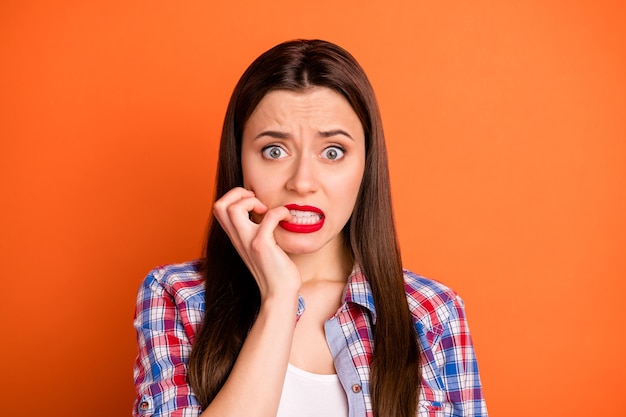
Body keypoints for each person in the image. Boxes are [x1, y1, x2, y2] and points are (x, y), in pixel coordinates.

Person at [133, 39, 487, 417]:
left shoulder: (432, 313)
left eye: (332, 152)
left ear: (366, 166)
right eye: (274, 150)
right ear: (240, 162)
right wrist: (280, 297)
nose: (302, 182)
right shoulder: (177, 297)